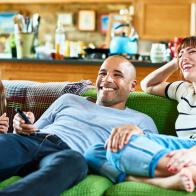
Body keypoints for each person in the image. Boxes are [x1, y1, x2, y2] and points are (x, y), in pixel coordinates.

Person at [0, 55, 157, 196]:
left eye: (117, 75)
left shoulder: (141, 120)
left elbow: (154, 156)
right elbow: (31, 129)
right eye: (102, 73)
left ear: (132, 85)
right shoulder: (68, 99)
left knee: (75, 163)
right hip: (33, 141)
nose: (107, 79)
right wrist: (21, 126)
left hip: (68, 155)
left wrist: (137, 134)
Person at [85, 36, 196, 193]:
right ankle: (170, 179)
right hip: (181, 149)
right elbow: (147, 85)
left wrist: (192, 154)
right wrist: (177, 61)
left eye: (192, 51)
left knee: (123, 145)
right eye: (181, 53)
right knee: (96, 152)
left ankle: (185, 170)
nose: (184, 57)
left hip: (191, 151)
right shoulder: (183, 90)